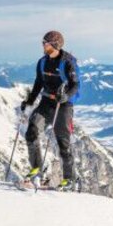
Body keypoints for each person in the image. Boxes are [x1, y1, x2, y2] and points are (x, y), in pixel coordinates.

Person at [21, 30, 81, 190]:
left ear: (54, 44)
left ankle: (69, 179)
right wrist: (29, 102)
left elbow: (75, 85)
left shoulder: (67, 62)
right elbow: (38, 83)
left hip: (63, 106)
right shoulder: (42, 62)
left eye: (45, 42)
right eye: (43, 42)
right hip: (46, 103)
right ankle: (36, 169)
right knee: (31, 133)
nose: (43, 45)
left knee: (63, 144)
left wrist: (66, 96)